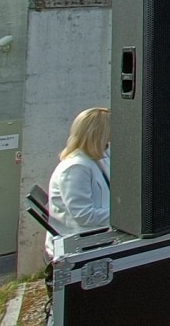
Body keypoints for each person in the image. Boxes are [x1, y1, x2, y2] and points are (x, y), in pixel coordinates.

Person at [46, 107, 111, 258]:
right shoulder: (76, 167)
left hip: (96, 232)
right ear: (100, 134)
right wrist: (125, 218)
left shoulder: (98, 158)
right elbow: (84, 216)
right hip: (80, 241)